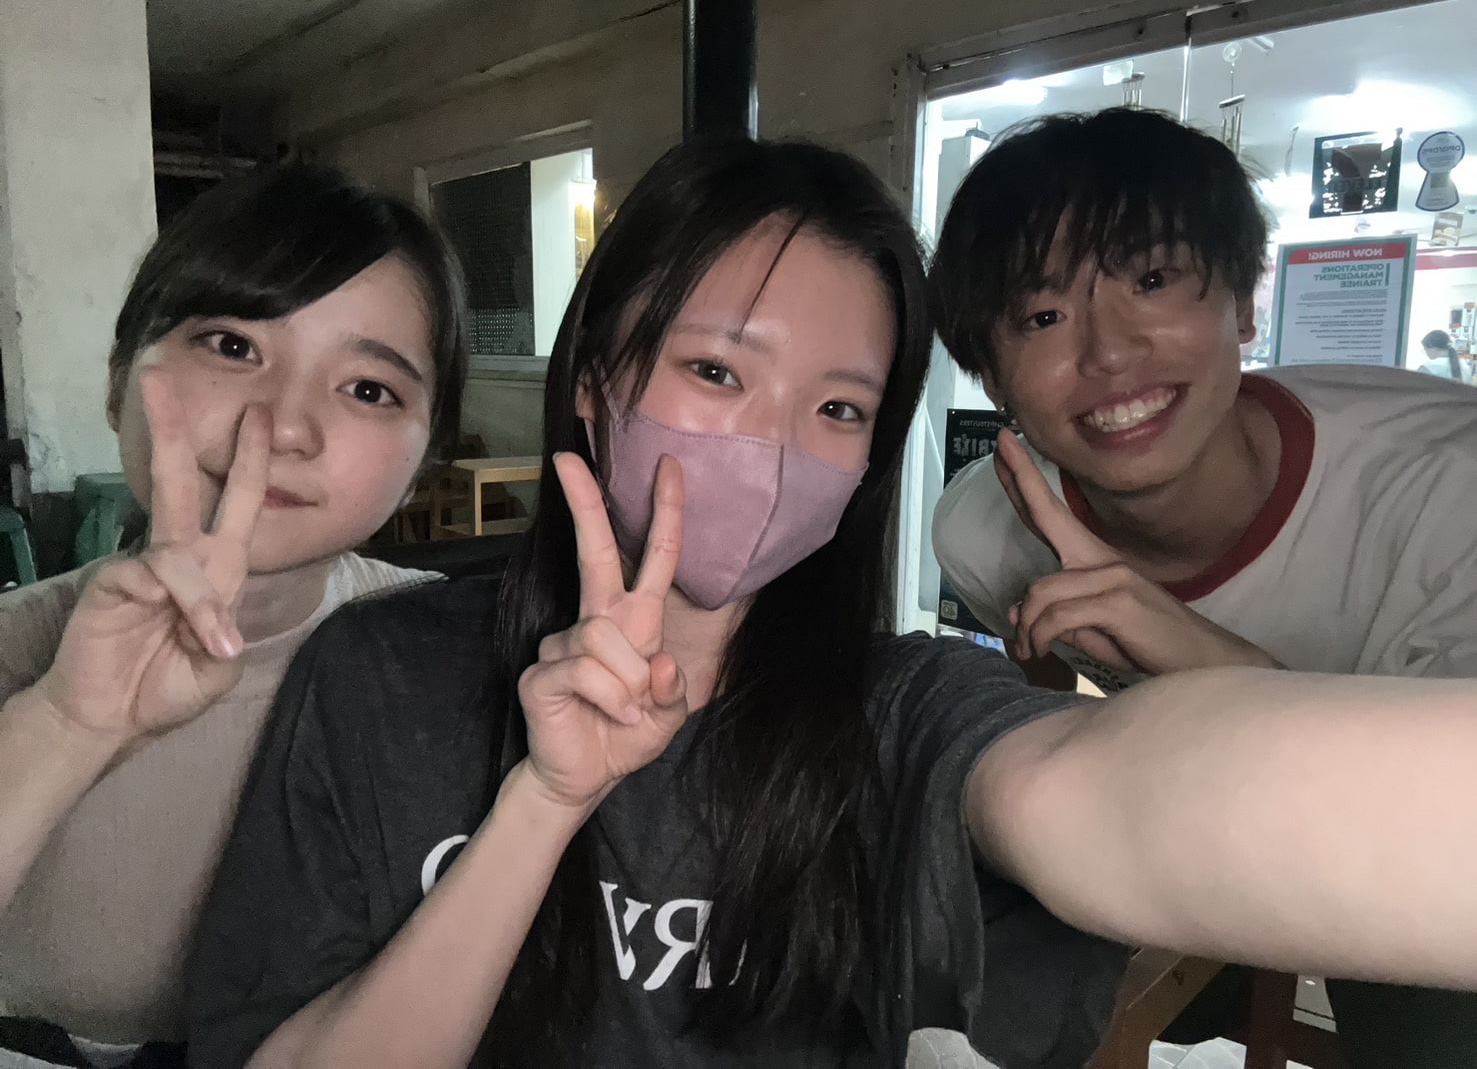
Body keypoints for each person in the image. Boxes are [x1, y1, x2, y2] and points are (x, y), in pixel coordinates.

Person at [188, 135, 1477, 1069]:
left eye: (840, 408)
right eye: (714, 371)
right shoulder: (381, 674)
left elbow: (1101, 796)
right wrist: (545, 800)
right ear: (593, 378)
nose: (773, 444)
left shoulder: (897, 707)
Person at [930, 107, 1477, 1065]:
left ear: (1243, 302)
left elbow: (1439, 839)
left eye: (1150, 281)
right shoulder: (982, 533)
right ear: (989, 374)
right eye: (1042, 317)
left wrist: (1204, 661)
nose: (1108, 353)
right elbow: (1042, 729)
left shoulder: (1450, 490)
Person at [0, 165, 468, 1069]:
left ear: (425, 460)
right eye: (231, 345)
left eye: (369, 389)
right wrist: (65, 726)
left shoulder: (454, 661)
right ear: (119, 380)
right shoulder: (18, 646)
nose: (283, 427)